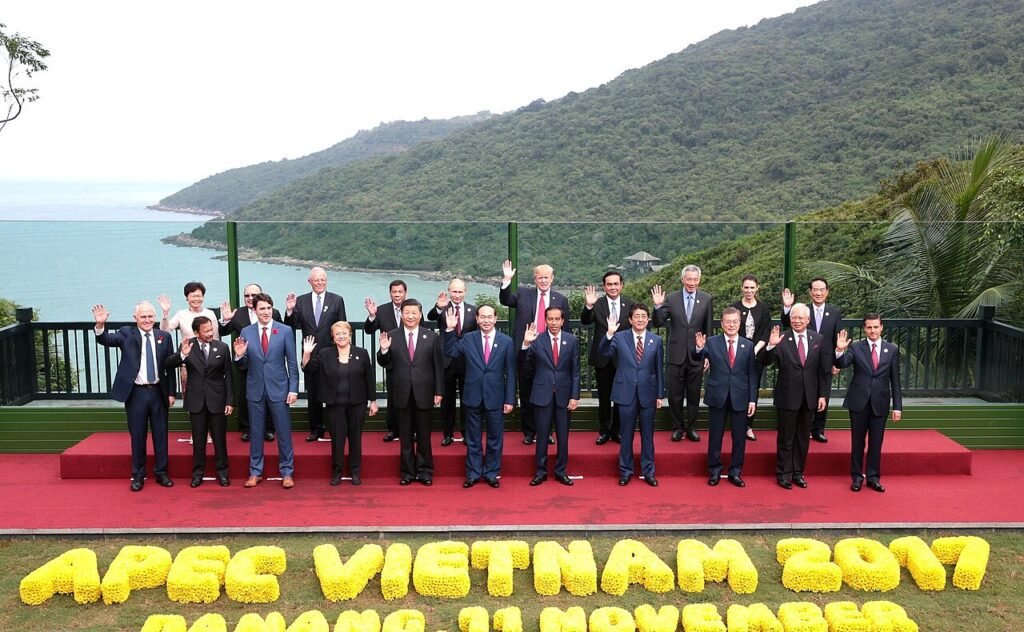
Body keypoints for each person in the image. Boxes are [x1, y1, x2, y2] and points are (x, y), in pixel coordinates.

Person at [92, 301, 176, 492]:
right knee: (137, 435)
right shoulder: (126, 334)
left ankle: (162, 473)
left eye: (150, 317)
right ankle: (138, 475)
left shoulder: (164, 336)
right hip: (136, 393)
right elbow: (105, 340)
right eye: (143, 317)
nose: (147, 320)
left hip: (158, 392)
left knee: (161, 435)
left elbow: (169, 368)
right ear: (135, 318)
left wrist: (171, 392)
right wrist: (100, 325)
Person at [442, 304, 516, 488]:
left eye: (489, 316)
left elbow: (511, 372)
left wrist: (510, 399)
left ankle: (491, 473)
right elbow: (450, 352)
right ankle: (473, 473)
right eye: (482, 317)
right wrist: (450, 330)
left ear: (496, 318)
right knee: (473, 438)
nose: (486, 320)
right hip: (472, 396)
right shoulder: (468, 338)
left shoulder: (506, 341)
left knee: (495, 438)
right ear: (476, 319)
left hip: (496, 397)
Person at [499, 260, 570, 445]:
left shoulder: (560, 299)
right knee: (527, 391)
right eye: (540, 277)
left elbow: (566, 328)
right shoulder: (524, 294)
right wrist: (506, 280)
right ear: (535, 279)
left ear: (552, 279)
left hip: (550, 352)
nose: (544, 281)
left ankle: (546, 431)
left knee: (549, 392)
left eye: (547, 277)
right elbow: (505, 300)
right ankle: (529, 431)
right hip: (525, 349)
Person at [233, 293, 299, 489]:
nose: (266, 312)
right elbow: (243, 365)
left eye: (269, 308)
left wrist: (293, 389)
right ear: (254, 310)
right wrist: (239, 356)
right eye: (262, 308)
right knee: (255, 432)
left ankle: (287, 472)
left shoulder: (285, 330)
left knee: (284, 433)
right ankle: (255, 472)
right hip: (255, 390)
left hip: (279, 389)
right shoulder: (246, 331)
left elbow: (292, 363)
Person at [301, 321, 378, 486]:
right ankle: (336, 472)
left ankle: (355, 472)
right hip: (334, 404)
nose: (341, 336)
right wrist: (307, 353)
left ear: (350, 335)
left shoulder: (362, 353)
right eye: (337, 334)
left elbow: (369, 379)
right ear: (333, 337)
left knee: (355, 439)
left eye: (344, 333)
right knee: (337, 440)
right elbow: (308, 369)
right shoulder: (324, 353)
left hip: (357, 403)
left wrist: (373, 401)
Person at [763, 303, 831, 490]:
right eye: (794, 317)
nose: (797, 321)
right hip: (787, 396)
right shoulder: (781, 338)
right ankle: (783, 473)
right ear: (790, 319)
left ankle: (798, 473)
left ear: (808, 320)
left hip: (809, 397)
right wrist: (770, 346)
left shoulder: (818, 339)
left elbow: (822, 370)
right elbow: (766, 361)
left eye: (801, 318)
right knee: (786, 437)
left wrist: (822, 395)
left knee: (802, 438)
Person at [377, 298, 444, 486]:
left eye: (414, 313)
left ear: (420, 315)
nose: (411, 316)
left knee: (424, 436)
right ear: (401, 315)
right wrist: (383, 350)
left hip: (425, 392)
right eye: (407, 313)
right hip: (402, 392)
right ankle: (407, 472)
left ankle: (425, 472)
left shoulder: (430, 336)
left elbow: (438, 367)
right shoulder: (391, 335)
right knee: (405, 437)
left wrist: (439, 391)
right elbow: (385, 363)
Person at [833, 314, 903, 492]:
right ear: (864, 329)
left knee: (876, 443)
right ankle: (856, 477)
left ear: (882, 327)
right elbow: (842, 363)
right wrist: (839, 350)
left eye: (875, 327)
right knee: (857, 442)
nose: (872, 330)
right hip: (859, 402)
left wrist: (897, 407)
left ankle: (873, 477)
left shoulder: (892, 349)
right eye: (869, 327)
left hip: (880, 402)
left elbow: (895, 381)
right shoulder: (856, 347)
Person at [598, 304, 664, 487]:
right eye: (637, 316)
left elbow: (659, 369)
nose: (640, 319)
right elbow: (603, 353)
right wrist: (609, 334)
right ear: (630, 320)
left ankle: (648, 471)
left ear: (648, 319)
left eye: (644, 316)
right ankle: (626, 471)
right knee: (626, 435)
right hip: (625, 393)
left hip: (648, 394)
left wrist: (660, 394)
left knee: (647, 436)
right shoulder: (619, 338)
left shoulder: (656, 340)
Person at [164, 316, 234, 488]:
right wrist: (182, 354)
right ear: (196, 332)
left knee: (219, 440)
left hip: (217, 400)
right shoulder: (188, 346)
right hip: (196, 401)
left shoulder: (223, 348)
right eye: (206, 331)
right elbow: (168, 364)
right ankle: (197, 474)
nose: (210, 333)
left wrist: (230, 401)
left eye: (211, 329)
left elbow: (229, 377)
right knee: (198, 440)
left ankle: (223, 473)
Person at [693, 307, 758, 488]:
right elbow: (698, 356)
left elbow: (752, 375)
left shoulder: (748, 345)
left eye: (734, 321)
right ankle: (714, 471)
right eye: (727, 321)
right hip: (717, 396)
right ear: (722, 324)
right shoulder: (712, 342)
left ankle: (735, 472)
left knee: (739, 438)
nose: (731, 325)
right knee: (715, 436)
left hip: (741, 397)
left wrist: (753, 399)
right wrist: (699, 348)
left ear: (740, 323)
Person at [651, 264, 714, 442]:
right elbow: (658, 323)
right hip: (676, 354)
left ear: (699, 280)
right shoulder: (671, 299)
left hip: (697, 354)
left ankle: (691, 427)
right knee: (675, 394)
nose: (692, 283)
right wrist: (657, 307)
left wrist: (707, 353)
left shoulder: (706, 299)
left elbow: (708, 329)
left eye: (695, 279)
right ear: (682, 280)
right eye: (689, 279)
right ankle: (677, 427)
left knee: (694, 393)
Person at [285, 266, 347, 442]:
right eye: (316, 280)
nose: (320, 283)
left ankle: (335, 428)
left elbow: (342, 327)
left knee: (334, 392)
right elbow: (291, 326)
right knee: (313, 393)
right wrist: (289, 311)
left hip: (332, 353)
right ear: (309, 281)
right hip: (309, 353)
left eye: (323, 280)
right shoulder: (301, 301)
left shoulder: (337, 300)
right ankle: (316, 429)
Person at [521, 307, 580, 487]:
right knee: (542, 435)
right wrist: (525, 345)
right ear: (545, 321)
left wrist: (575, 396)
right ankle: (540, 471)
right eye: (550, 319)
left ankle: (561, 471)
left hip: (564, 395)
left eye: (557, 319)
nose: (554, 323)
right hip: (542, 394)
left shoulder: (572, 340)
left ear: (562, 321)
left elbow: (575, 371)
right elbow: (526, 368)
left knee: (563, 436)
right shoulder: (537, 340)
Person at [218, 283, 282, 442]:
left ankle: (269, 429)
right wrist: (225, 320)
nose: (250, 298)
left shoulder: (273, 312)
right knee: (245, 396)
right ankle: (246, 428)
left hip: (268, 362)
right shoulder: (237, 314)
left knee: (269, 395)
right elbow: (223, 331)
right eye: (246, 295)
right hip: (245, 362)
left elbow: (282, 333)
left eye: (253, 295)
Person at [782, 278, 843, 443]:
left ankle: (818, 429)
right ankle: (804, 428)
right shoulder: (803, 310)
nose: (818, 293)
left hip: (825, 361)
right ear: (810, 292)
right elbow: (787, 323)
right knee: (805, 394)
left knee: (823, 395)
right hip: (805, 360)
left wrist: (837, 362)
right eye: (815, 289)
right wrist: (787, 308)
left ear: (827, 292)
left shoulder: (835, 312)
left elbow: (839, 338)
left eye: (822, 289)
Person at [581, 271, 633, 445]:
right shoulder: (598, 303)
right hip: (603, 357)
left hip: (624, 357)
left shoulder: (629, 305)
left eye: (616, 284)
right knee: (603, 397)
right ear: (604, 286)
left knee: (621, 396)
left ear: (621, 285)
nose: (613, 287)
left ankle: (616, 431)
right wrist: (588, 306)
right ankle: (603, 431)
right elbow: (585, 321)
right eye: (609, 284)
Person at [364, 279, 417, 443]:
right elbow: (369, 330)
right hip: (391, 359)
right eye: (394, 292)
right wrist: (372, 316)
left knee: (412, 396)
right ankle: (393, 430)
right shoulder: (382, 310)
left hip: (412, 360)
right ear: (390, 293)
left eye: (400, 292)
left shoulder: (412, 308)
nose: (397, 295)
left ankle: (413, 430)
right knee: (393, 397)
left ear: (405, 293)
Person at [428, 279, 478, 446]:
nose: (457, 295)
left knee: (467, 399)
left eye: (460, 292)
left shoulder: (473, 311)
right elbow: (430, 317)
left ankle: (465, 433)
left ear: (466, 292)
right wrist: (438, 307)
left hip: (466, 361)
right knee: (447, 400)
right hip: (446, 360)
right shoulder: (443, 308)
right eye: (454, 292)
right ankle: (447, 434)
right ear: (449, 291)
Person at [158, 281, 219, 398]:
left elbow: (215, 337)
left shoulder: (210, 314)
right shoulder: (181, 314)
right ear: (187, 297)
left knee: (213, 393)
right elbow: (164, 331)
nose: (196, 299)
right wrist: (165, 315)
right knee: (191, 396)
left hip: (209, 360)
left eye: (199, 296)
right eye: (193, 296)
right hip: (189, 361)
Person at [731, 274, 772, 441]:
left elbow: (766, 332)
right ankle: (736, 423)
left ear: (757, 288)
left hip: (757, 354)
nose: (749, 290)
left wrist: (755, 349)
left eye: (752, 287)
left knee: (752, 388)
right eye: (746, 287)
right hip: (737, 355)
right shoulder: (734, 308)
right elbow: (731, 328)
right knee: (737, 387)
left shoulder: (763, 309)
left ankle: (748, 425)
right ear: (741, 288)